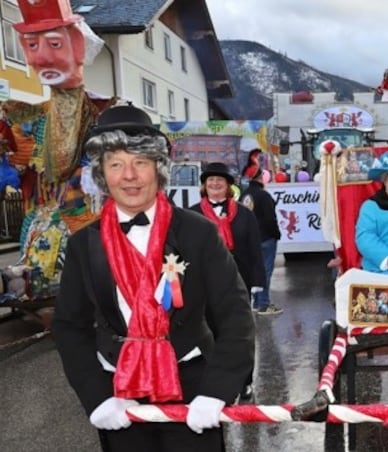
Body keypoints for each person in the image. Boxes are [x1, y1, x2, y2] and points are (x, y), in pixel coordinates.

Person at [52, 105, 255, 452]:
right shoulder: (84, 243)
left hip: (192, 385)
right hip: (118, 389)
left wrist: (217, 390)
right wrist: (97, 397)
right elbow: (70, 326)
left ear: (158, 169)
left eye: (140, 162)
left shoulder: (199, 233)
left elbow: (235, 315)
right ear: (103, 173)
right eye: (116, 164)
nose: (129, 176)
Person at [0, 0, 111, 294]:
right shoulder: (27, 116)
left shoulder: (104, 112)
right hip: (43, 218)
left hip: (87, 220)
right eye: (32, 46)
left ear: (77, 45)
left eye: (54, 44)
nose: (43, 58)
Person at [190, 162, 266, 400]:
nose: (214, 184)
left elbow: (255, 248)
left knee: (240, 334)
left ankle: (245, 381)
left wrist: (257, 282)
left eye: (219, 181)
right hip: (204, 284)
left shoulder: (244, 214)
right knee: (209, 333)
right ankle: (214, 381)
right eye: (210, 181)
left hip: (239, 281)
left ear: (228, 187)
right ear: (204, 186)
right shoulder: (192, 214)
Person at [240, 167, 283, 315]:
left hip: (248, 239)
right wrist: (276, 234)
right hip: (265, 237)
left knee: (254, 270)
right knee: (265, 271)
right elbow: (270, 219)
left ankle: (256, 302)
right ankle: (264, 304)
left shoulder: (244, 195)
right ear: (260, 177)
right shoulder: (264, 196)